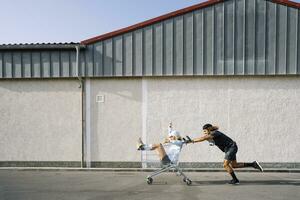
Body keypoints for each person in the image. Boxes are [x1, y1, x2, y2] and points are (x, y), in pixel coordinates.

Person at [192, 123, 263, 185]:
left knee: (225, 165)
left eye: (205, 131)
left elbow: (203, 138)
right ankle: (253, 164)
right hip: (230, 148)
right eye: (203, 131)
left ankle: (235, 180)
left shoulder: (215, 133)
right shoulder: (212, 134)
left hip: (231, 148)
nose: (204, 132)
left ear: (209, 129)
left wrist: (190, 141)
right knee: (234, 165)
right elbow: (207, 139)